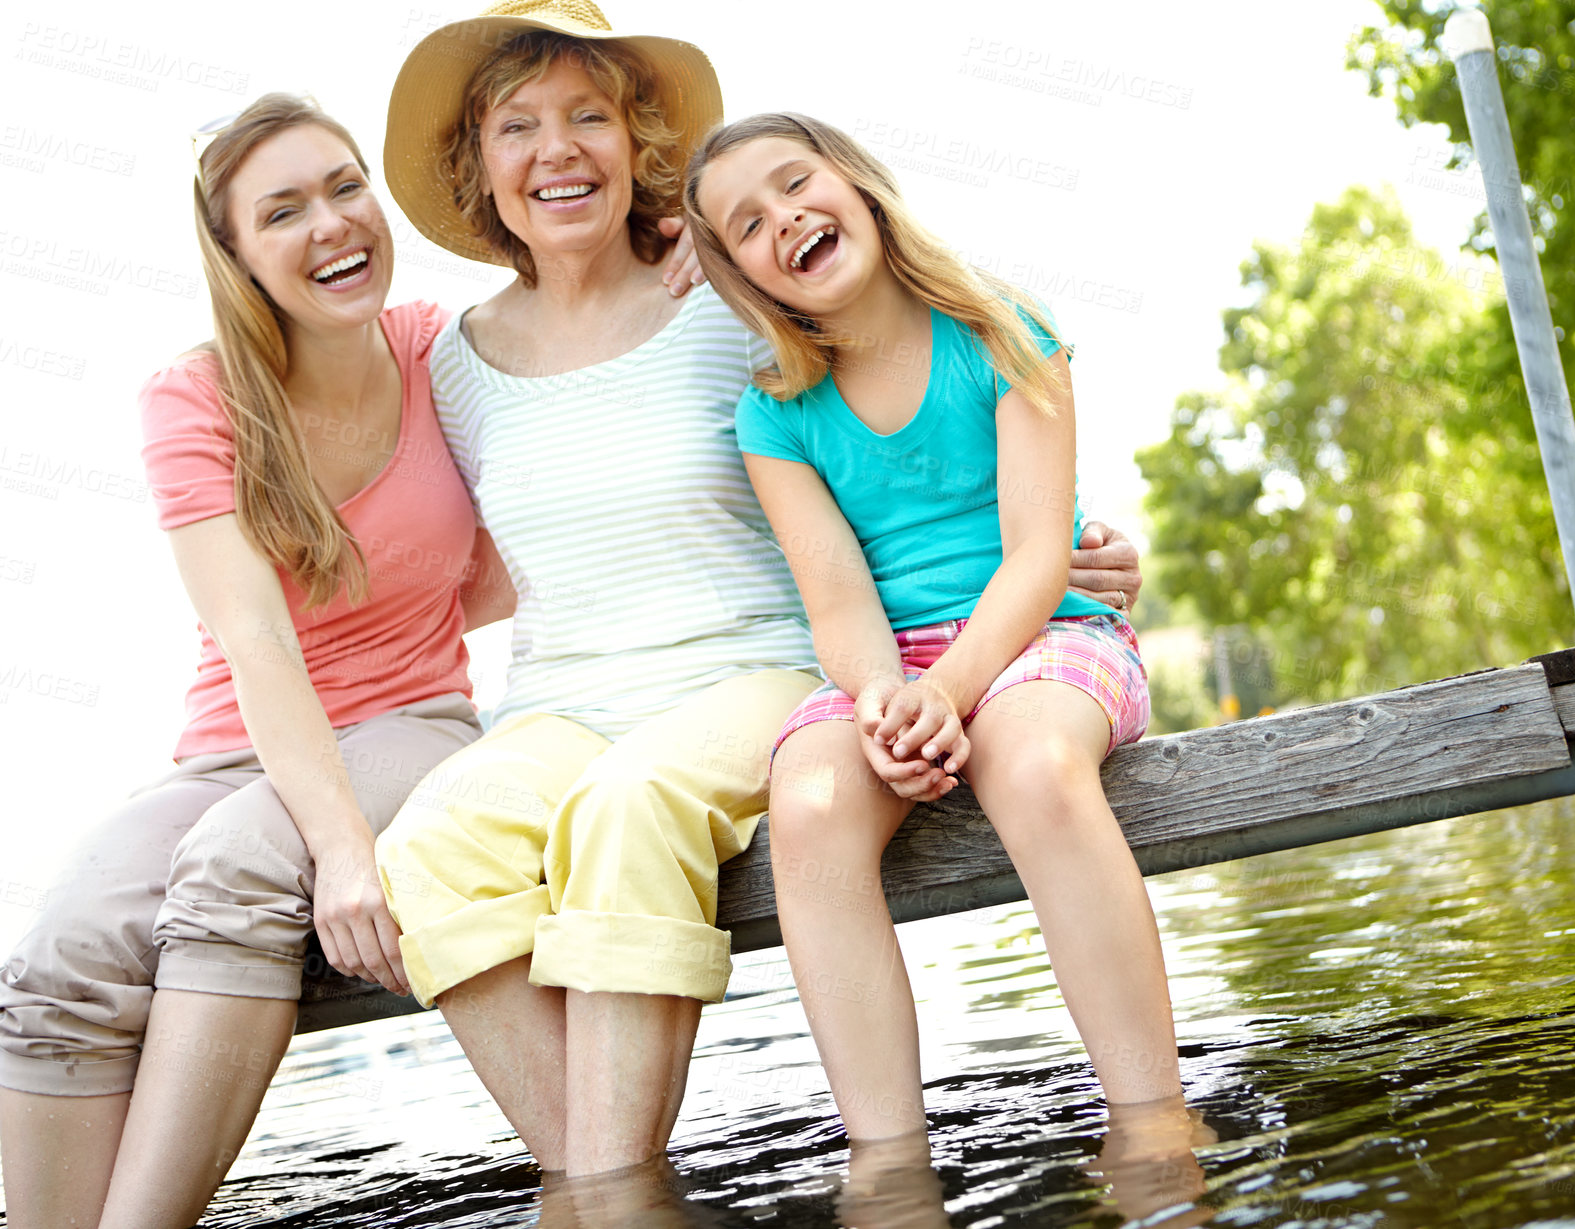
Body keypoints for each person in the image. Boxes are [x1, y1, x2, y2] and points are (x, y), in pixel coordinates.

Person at [374, 0, 1150, 1179]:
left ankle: (619, 1190)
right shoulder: (448, 359)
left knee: (631, 806)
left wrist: (1075, 551)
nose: (557, 148)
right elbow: (445, 557)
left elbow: (932, 429)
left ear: (638, 141)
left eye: (590, 115)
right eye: (518, 125)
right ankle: (608, 1181)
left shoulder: (731, 311)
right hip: (607, 692)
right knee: (427, 842)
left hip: (761, 669)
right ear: (479, 166)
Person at [0, 94, 512, 1229]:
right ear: (234, 254)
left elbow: (559, 474)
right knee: (57, 956)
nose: (332, 223)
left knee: (236, 865)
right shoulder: (195, 396)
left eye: (344, 186)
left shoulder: (442, 350)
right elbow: (256, 639)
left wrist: (671, 262)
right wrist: (334, 844)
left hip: (412, 721)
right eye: (284, 210)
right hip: (236, 743)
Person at [684, 112, 1190, 1143]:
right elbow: (838, 604)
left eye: (795, 185)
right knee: (811, 802)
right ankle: (889, 1159)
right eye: (746, 223)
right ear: (743, 275)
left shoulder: (1001, 328)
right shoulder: (774, 413)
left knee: (1033, 760)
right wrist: (884, 704)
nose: (784, 219)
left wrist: (947, 693)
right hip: (893, 663)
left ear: (857, 187)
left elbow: (1041, 555)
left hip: (1046, 627)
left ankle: (1152, 1116)